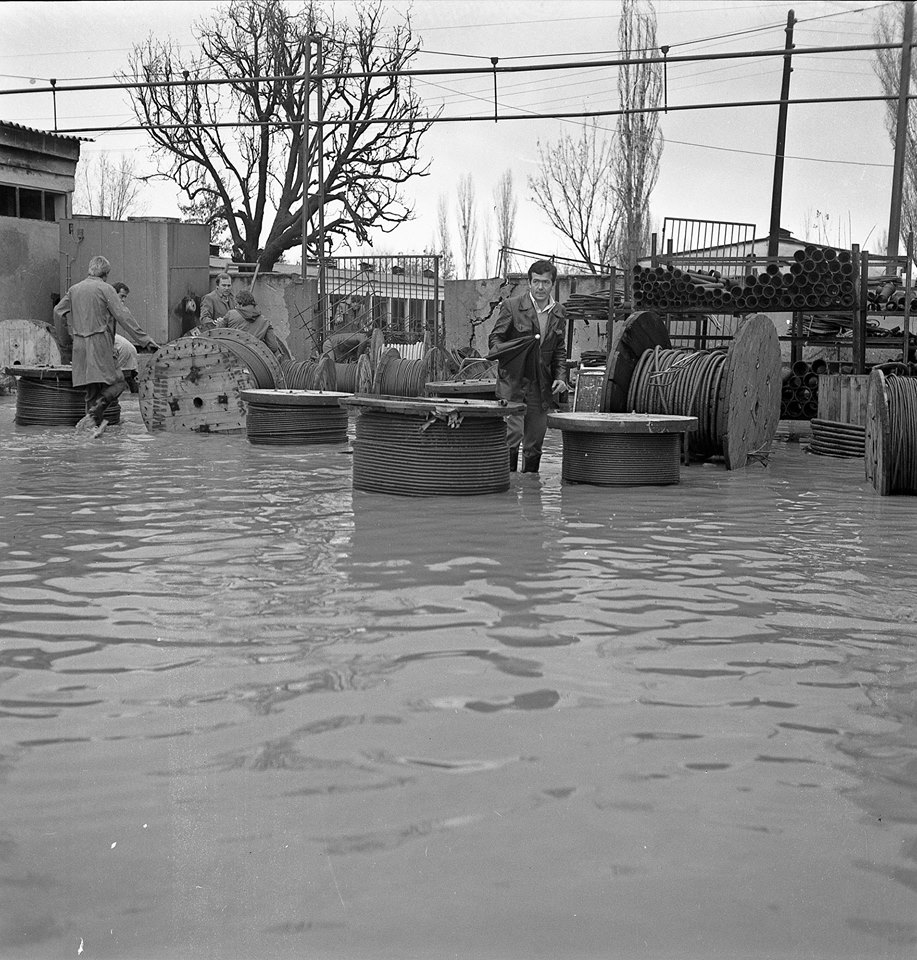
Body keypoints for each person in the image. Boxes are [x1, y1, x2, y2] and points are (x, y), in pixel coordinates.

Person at [54, 256, 158, 434]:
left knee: (91, 391)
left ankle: (92, 431)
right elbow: (123, 316)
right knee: (119, 382)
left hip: (79, 348)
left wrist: (66, 342)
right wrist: (145, 340)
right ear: (106, 274)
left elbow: (58, 312)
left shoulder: (74, 289)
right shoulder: (105, 288)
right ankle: (95, 413)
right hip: (99, 345)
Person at [488, 259, 568, 473]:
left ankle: (532, 490)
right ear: (529, 283)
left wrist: (561, 377)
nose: (540, 287)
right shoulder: (512, 306)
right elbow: (495, 340)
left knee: (535, 439)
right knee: (513, 434)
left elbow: (559, 349)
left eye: (545, 282)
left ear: (552, 284)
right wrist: (510, 355)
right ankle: (508, 484)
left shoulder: (559, 312)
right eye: (536, 282)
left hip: (541, 383)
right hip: (514, 382)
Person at [216, 289, 292, 359]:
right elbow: (274, 347)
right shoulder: (265, 321)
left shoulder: (231, 314)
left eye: (236, 305)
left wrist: (219, 324)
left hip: (232, 358)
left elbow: (218, 336)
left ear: (240, 304)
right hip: (255, 361)